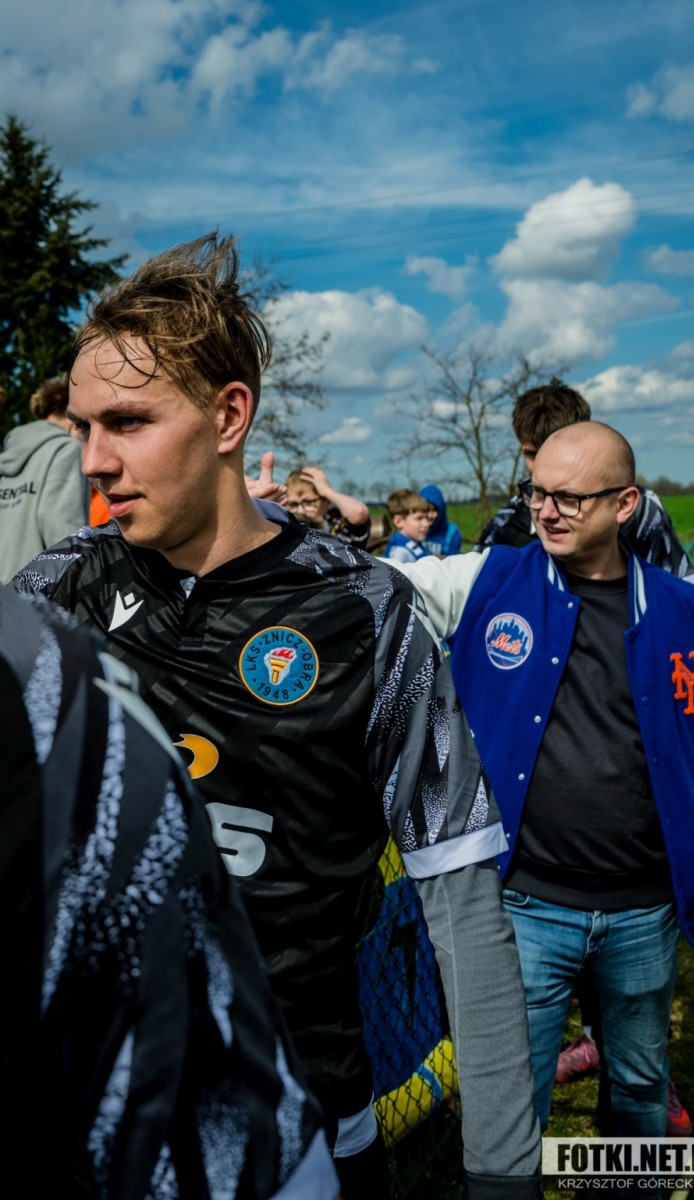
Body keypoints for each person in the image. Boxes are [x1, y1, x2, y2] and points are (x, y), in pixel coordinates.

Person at [14, 233, 540, 1200]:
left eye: (127, 422)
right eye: (83, 428)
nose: (94, 460)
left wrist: (503, 1170)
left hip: (307, 1133)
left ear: (228, 415)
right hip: (95, 1129)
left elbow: (460, 894)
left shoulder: (365, 613)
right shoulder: (52, 594)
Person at [395, 420, 694, 1142]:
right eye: (537, 492)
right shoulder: (486, 581)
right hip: (522, 904)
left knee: (639, 1085)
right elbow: (377, 590)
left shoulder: (691, 615)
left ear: (625, 504)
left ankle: (631, 1187)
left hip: (646, 909)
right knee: (514, 1098)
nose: (546, 511)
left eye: (570, 498)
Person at [0, 584, 339, 1199]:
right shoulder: (60, 583)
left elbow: (455, 859)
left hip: (298, 1065)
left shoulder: (46, 670)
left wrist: (499, 1172)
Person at [475, 376, 694, 1133]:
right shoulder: (510, 528)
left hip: (637, 857)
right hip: (534, 863)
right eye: (533, 476)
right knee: (522, 1056)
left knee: (636, 1038)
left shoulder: (649, 526)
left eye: (566, 487)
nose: (546, 505)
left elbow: (684, 622)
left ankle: (636, 1081)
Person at [477, 377, 694, 583]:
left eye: (559, 455)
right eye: (532, 454)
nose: (543, 466)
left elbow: (679, 587)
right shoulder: (508, 521)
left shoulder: (641, 511)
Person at [0, 376, 89, 583]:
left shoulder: (6, 457)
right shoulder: (65, 450)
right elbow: (64, 538)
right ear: (73, 420)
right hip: (37, 595)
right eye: (85, 427)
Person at [285, 464, 371, 549]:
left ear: (326, 500)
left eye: (308, 502)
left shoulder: (337, 523)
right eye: (293, 504)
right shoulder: (286, 527)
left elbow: (359, 512)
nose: (300, 510)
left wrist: (327, 491)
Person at [383, 488, 435, 563]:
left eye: (426, 518)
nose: (426, 524)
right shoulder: (399, 552)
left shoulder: (414, 541)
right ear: (398, 521)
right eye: (419, 518)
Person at [419, 484, 463, 557]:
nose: (430, 515)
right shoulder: (412, 530)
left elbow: (454, 561)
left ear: (442, 510)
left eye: (434, 510)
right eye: (426, 510)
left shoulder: (451, 534)